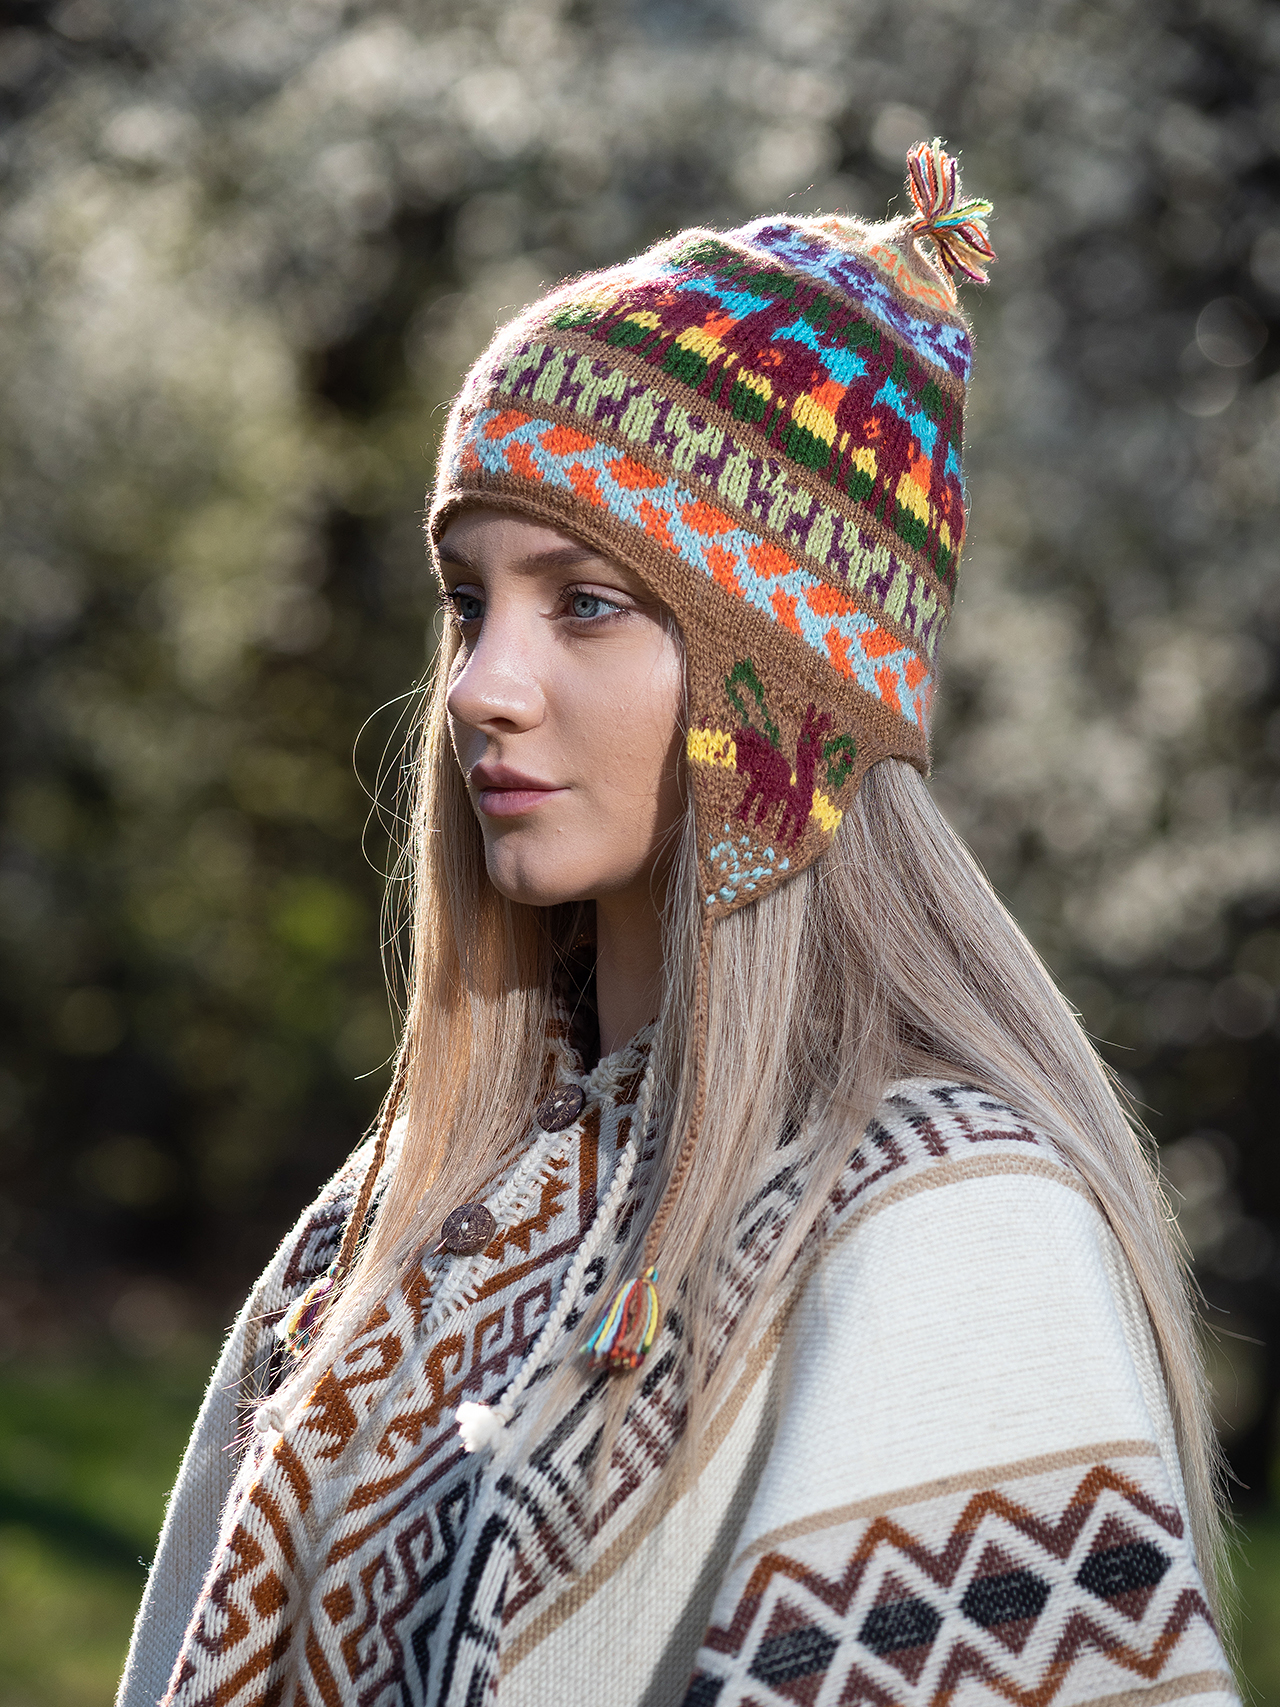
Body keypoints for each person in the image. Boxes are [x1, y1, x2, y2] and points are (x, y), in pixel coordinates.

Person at [117, 141, 1239, 1707]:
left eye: (586, 601)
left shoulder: (951, 1231)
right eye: (467, 601)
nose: (479, 688)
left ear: (785, 692)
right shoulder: (389, 1227)